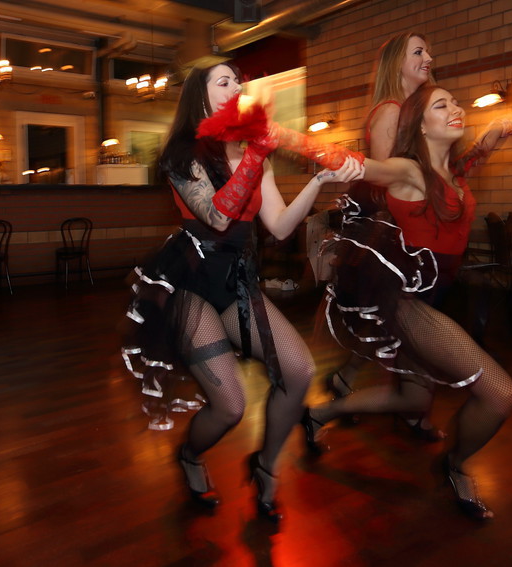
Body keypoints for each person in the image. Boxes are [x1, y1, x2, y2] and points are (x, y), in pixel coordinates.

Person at [119, 62, 362, 524]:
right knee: (230, 407)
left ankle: (266, 466)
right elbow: (216, 215)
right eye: (224, 81)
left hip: (235, 280)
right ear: (201, 95)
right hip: (191, 282)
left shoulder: (253, 154)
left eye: (239, 82)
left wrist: (318, 180)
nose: (236, 88)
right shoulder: (182, 154)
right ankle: (190, 455)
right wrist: (258, 153)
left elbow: (281, 226)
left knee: (299, 372)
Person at [306, 85, 512, 520]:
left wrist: (497, 131)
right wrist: (285, 138)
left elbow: (473, 158)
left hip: (437, 297)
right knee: (499, 393)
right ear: (421, 126)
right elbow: (367, 166)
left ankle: (319, 414)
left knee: (414, 401)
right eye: (441, 104)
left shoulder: (451, 171)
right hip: (407, 303)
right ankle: (456, 466)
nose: (456, 108)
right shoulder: (409, 170)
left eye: (456, 101)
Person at [325, 32, 445, 440]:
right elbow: (383, 181)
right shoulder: (390, 111)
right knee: (407, 321)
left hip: (410, 230)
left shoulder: (414, 111)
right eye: (419, 51)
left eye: (428, 50)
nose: (429, 57)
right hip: (389, 233)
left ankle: (349, 383)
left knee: (392, 323)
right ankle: (410, 409)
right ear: (398, 63)